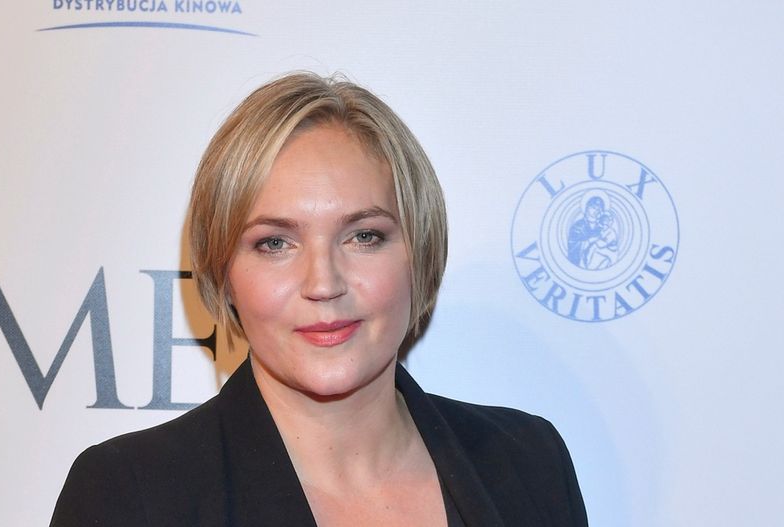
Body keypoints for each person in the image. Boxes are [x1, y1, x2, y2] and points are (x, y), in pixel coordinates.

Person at [50, 72, 588, 526]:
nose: (324, 283)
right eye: (275, 243)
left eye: (364, 236)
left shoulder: (529, 462)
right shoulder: (131, 495)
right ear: (224, 271)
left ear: (420, 252)